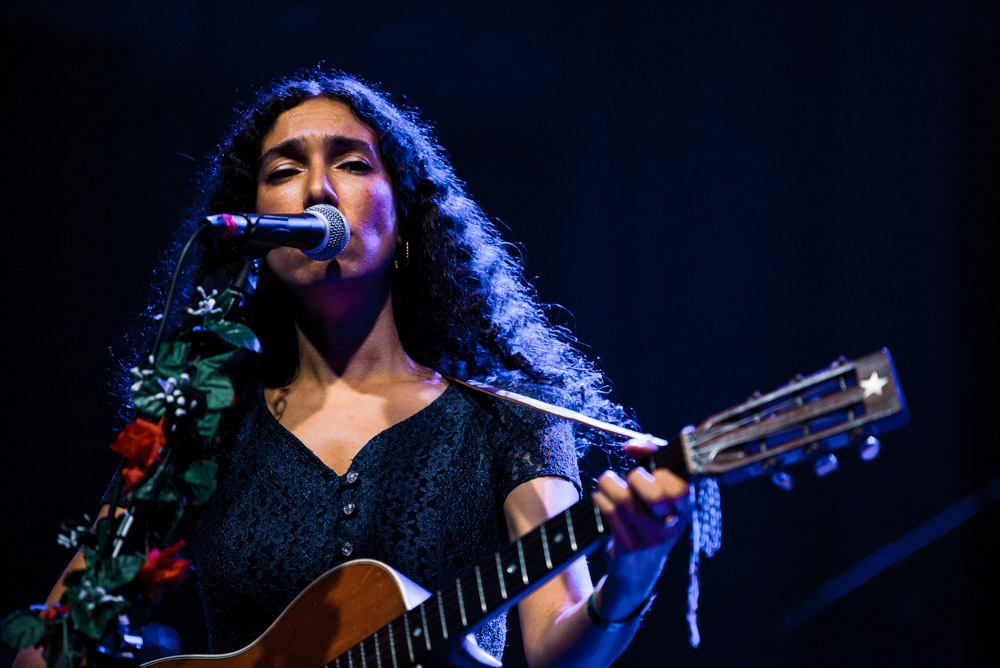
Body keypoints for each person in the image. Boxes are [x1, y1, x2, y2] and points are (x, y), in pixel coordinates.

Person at [13, 70, 692, 668]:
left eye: (352, 164)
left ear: (404, 222)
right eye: (282, 172)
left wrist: (632, 574)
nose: (315, 189)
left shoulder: (509, 418)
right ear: (255, 228)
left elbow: (556, 652)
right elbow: (54, 642)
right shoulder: (201, 424)